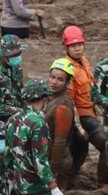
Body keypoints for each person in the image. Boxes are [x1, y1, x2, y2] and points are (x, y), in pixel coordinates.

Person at [60, 25, 107, 185]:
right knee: (103, 143)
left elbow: (92, 82)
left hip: (91, 111)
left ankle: (76, 179)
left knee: (82, 150)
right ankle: (102, 182)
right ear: (66, 46)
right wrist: (79, 125)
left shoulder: (84, 60)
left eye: (80, 44)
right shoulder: (67, 68)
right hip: (81, 115)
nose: (77, 48)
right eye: (73, 46)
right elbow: (69, 99)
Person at [5, 78, 63, 195]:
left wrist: (10, 178)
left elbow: (8, 153)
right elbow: (39, 159)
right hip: (36, 187)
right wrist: (52, 185)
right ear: (44, 98)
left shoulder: (12, 119)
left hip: (19, 183)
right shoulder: (38, 123)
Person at [45, 58, 78, 188]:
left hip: (58, 162)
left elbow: (60, 142)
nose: (54, 82)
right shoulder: (50, 97)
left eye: (60, 79)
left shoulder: (63, 106)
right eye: (52, 77)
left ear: (67, 83)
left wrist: (52, 172)